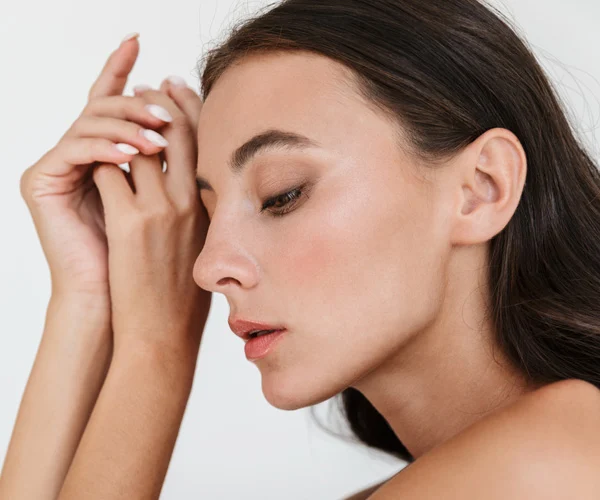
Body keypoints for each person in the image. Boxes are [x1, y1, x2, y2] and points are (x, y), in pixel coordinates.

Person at [2, 0, 600, 498]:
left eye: (282, 195)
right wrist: (87, 296)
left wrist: (154, 343)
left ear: (481, 188)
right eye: (206, 215)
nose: (206, 269)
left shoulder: (555, 454)